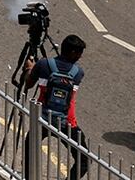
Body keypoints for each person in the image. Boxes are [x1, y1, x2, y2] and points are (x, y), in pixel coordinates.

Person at [28, 34, 89, 169]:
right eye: (79, 53)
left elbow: (28, 84)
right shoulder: (78, 72)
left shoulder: (43, 64)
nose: (80, 57)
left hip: (42, 118)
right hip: (67, 122)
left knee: (30, 152)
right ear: (73, 52)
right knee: (84, 160)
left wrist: (30, 68)